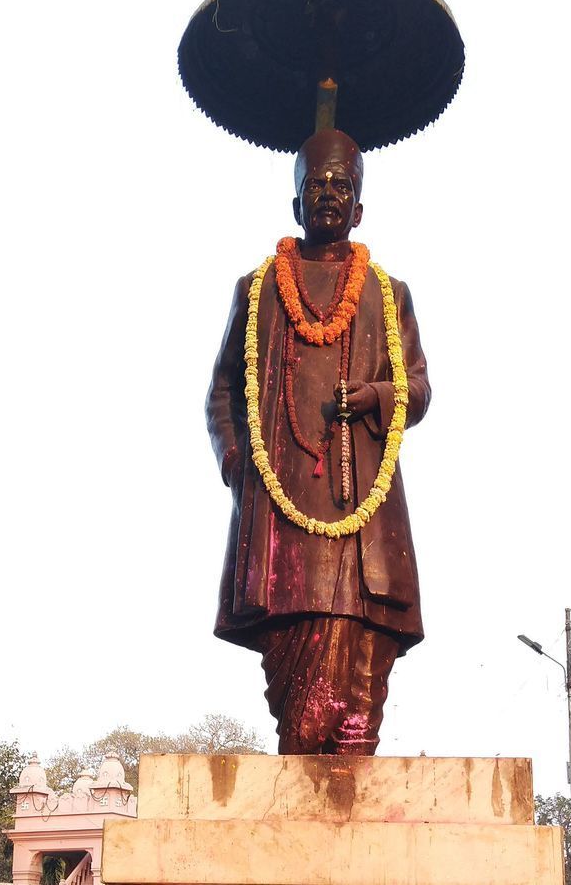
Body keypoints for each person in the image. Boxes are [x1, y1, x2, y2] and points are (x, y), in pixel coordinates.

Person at [206, 128, 430, 755]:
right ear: (296, 202)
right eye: (317, 185)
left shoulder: (390, 295)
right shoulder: (257, 291)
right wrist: (238, 464)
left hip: (361, 511)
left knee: (358, 657)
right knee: (296, 681)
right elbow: (221, 392)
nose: (329, 194)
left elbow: (419, 388)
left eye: (342, 185)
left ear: (359, 207)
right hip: (280, 513)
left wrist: (375, 397)